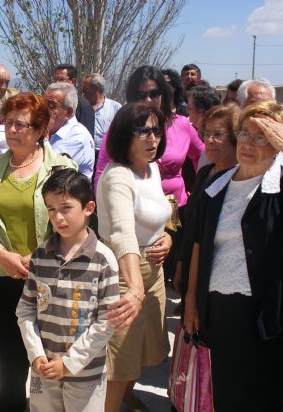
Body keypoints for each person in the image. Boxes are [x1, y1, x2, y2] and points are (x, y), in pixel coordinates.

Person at [184, 100, 283, 411]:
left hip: (266, 313)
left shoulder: (282, 185)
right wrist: (191, 300)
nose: (248, 143)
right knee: (226, 393)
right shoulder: (216, 184)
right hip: (220, 308)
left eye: (261, 137)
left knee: (266, 394)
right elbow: (199, 245)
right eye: (244, 134)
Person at [0, 92, 77, 412]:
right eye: (9, 122)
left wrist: (43, 256)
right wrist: (1, 254)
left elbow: (72, 222)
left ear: (40, 130)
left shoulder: (61, 167)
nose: (13, 129)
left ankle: (44, 405)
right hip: (5, 274)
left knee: (45, 352)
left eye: (22, 124)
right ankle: (11, 403)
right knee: (8, 348)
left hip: (49, 278)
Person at [16, 168, 120, 412]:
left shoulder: (103, 260)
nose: (58, 217)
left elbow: (107, 322)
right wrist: (36, 354)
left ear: (88, 208)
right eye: (51, 209)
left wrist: (70, 363)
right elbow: (26, 308)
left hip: (85, 375)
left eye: (65, 208)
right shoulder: (41, 256)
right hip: (44, 369)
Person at [96, 102, 173, 412]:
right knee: (120, 355)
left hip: (152, 270)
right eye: (142, 131)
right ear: (124, 135)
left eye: (156, 130)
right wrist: (135, 287)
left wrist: (166, 237)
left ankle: (127, 396)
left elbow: (155, 216)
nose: (151, 138)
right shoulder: (118, 176)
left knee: (143, 347)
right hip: (124, 273)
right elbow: (122, 233)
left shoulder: (151, 169)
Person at [95, 65, 203, 282]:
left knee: (171, 277)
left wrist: (198, 191)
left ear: (164, 94)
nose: (147, 100)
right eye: (140, 94)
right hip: (131, 218)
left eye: (153, 93)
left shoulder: (181, 125)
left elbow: (204, 156)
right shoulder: (119, 130)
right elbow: (100, 177)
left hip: (172, 213)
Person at [174, 104, 239, 300]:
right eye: (206, 133)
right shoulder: (204, 174)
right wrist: (180, 265)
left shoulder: (238, 179)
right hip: (191, 265)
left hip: (215, 276)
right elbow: (192, 226)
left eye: (218, 135)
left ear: (235, 138)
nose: (209, 141)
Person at [45, 82, 95, 180]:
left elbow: (49, 169)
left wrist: (44, 135)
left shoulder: (78, 137)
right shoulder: (53, 129)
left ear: (69, 112)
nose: (44, 110)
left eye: (51, 105)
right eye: (43, 105)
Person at [81, 73, 122, 156]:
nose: (83, 92)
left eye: (85, 89)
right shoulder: (81, 107)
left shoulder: (115, 107)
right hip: (84, 152)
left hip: (107, 154)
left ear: (96, 88)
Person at [53, 64, 95, 137]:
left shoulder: (84, 106)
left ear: (72, 81)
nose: (56, 83)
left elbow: (86, 137)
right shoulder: (52, 104)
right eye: (55, 79)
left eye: (61, 79)